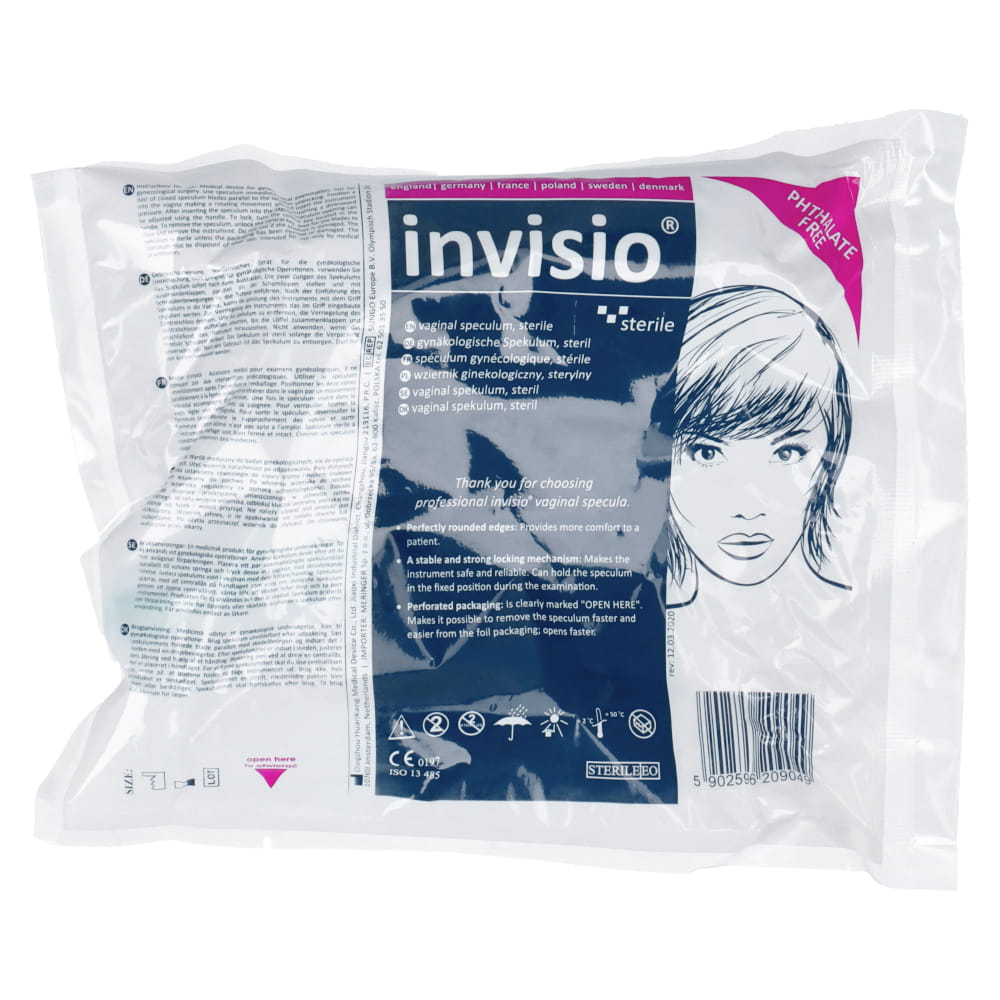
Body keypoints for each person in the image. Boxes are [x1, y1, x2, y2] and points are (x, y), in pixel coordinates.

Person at [640, 285, 852, 607]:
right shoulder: (627, 615)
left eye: (786, 453)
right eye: (707, 453)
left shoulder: (859, 617)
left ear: (830, 460)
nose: (748, 510)